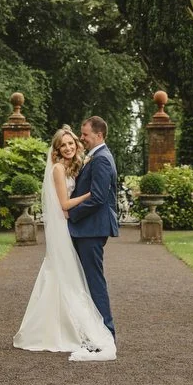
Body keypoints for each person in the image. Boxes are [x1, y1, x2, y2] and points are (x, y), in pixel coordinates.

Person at [12, 125, 117, 361]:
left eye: (73, 142)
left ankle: (93, 328)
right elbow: (65, 204)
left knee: (76, 278)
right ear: (57, 149)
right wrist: (89, 194)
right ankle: (66, 329)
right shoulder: (59, 169)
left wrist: (88, 198)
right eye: (64, 144)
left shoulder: (82, 162)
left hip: (79, 228)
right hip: (66, 226)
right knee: (68, 277)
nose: (71, 145)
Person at [67, 116, 119, 342]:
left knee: (94, 280)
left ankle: (107, 332)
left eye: (85, 134)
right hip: (88, 228)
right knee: (86, 280)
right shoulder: (95, 157)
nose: (81, 138)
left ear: (99, 135)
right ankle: (90, 330)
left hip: (91, 229)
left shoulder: (101, 159)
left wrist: (71, 214)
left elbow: (98, 197)